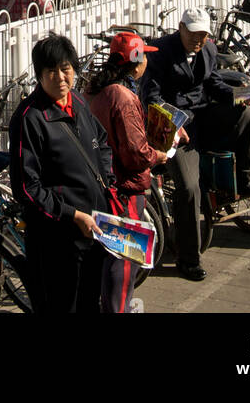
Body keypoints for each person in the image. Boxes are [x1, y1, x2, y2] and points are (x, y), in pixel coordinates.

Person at [138, 7, 250, 282]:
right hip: (175, 128)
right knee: (189, 188)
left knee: (246, 114)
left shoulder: (208, 50)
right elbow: (152, 98)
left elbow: (214, 85)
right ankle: (189, 259)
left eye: (203, 35)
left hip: (203, 116)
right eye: (194, 33)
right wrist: (173, 125)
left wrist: (241, 96)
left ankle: (247, 178)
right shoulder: (159, 53)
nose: (199, 39)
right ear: (181, 28)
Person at [9, 33, 112, 314]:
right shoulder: (29, 118)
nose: (60, 77)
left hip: (93, 231)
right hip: (56, 240)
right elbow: (27, 188)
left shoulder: (77, 102)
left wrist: (109, 183)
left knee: (90, 302)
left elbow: (100, 143)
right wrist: (73, 215)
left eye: (65, 69)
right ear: (39, 76)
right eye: (51, 71)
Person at [87, 30, 171, 312]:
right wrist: (158, 154)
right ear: (136, 61)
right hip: (123, 188)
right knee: (123, 257)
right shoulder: (123, 96)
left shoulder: (96, 89)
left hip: (102, 186)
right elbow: (136, 153)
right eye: (144, 55)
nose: (147, 60)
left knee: (108, 255)